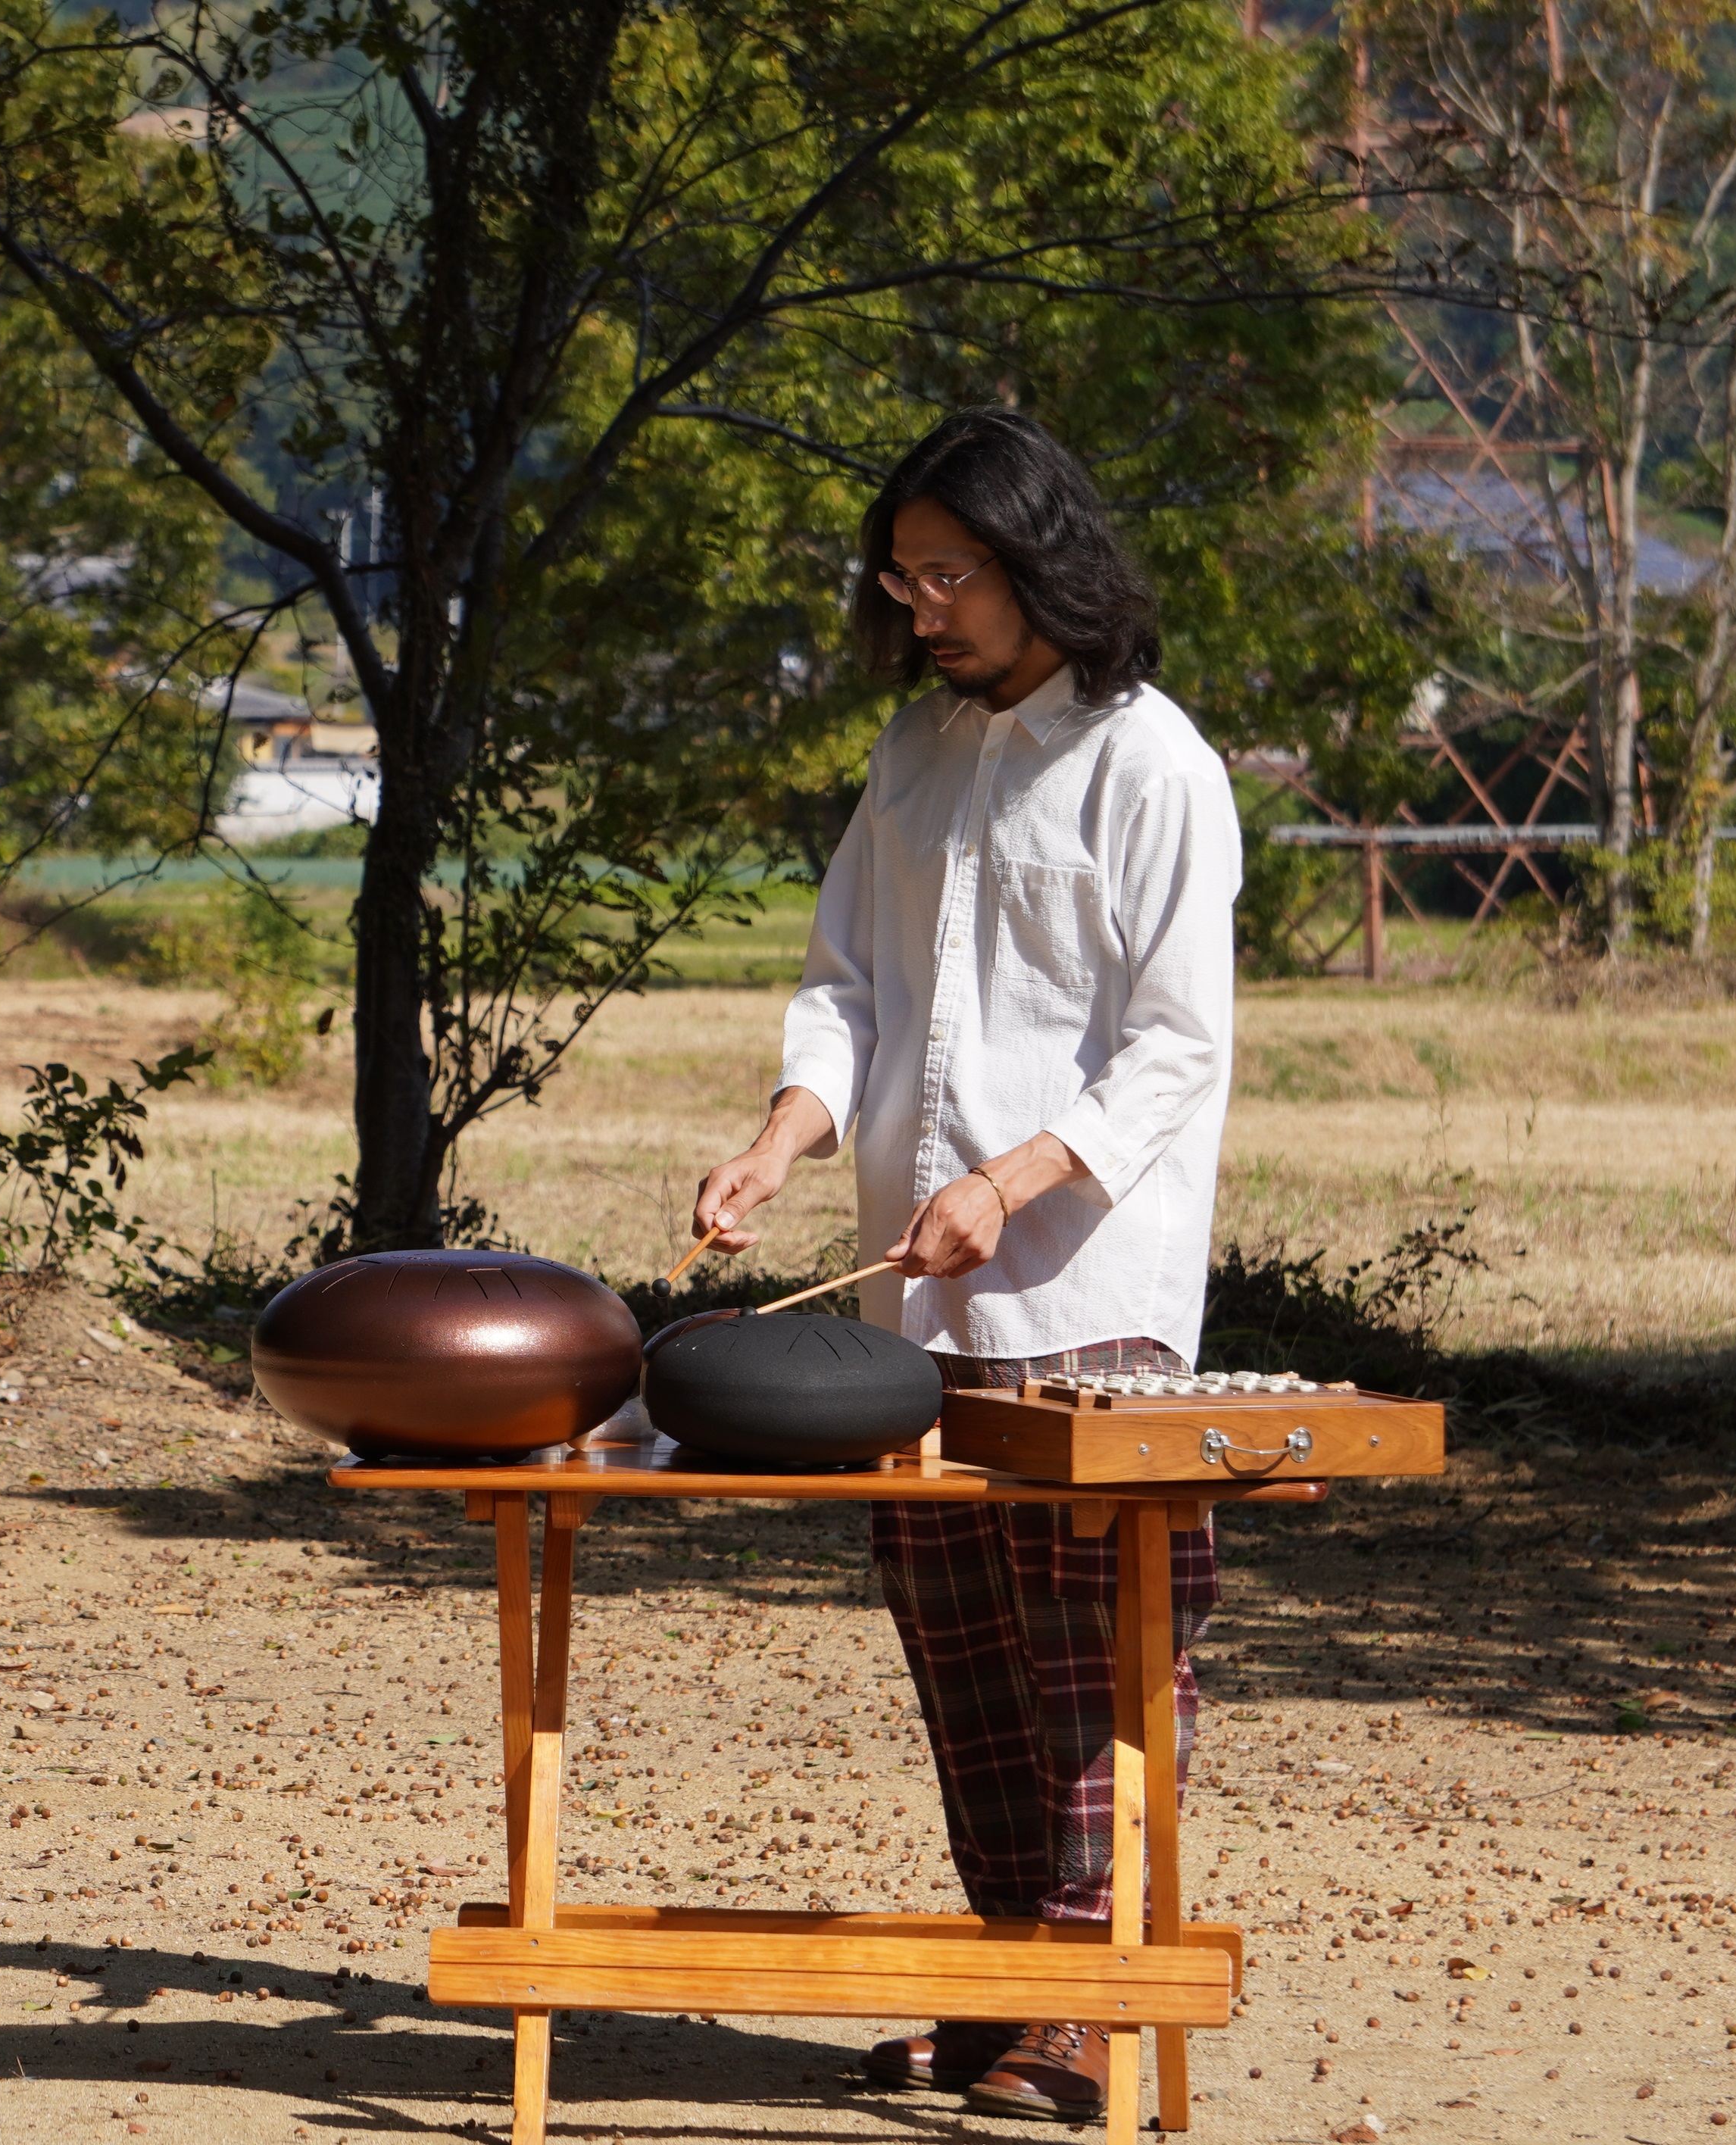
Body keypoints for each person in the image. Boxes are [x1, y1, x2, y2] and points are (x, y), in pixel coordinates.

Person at [687, 407, 1240, 2124]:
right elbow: (845, 986)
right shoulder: (913, 752)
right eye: (902, 575)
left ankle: (1085, 1995)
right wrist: (784, 1138)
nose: (921, 605)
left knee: (1091, 1636)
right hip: (901, 1300)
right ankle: (1012, 1976)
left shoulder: (1153, 763)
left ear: (1034, 561)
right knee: (954, 1633)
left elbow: (1171, 1045)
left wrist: (1011, 1181)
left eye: (950, 573)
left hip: (1085, 1285)